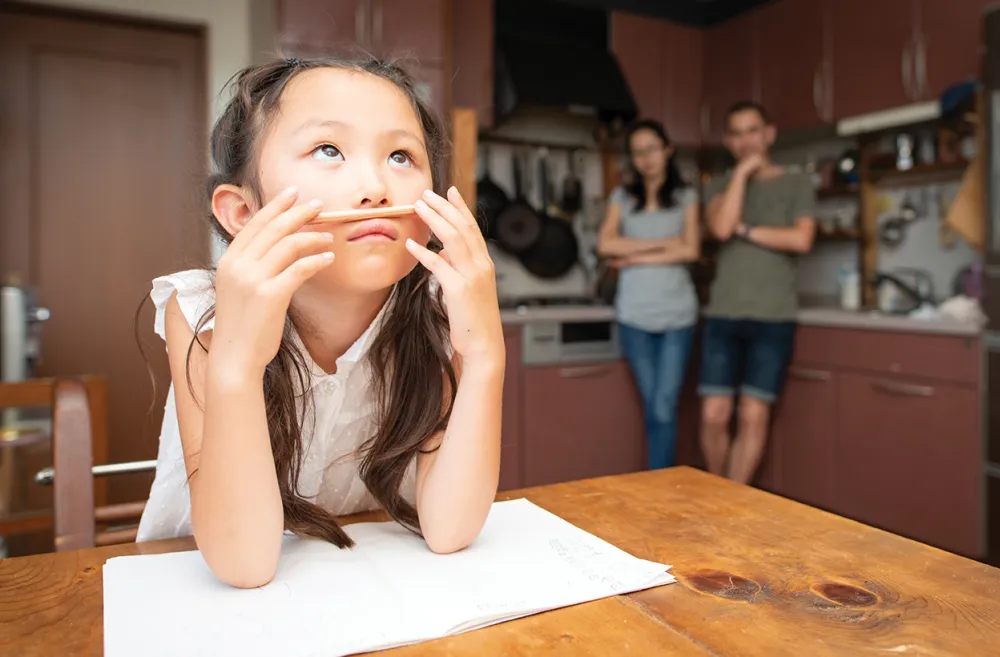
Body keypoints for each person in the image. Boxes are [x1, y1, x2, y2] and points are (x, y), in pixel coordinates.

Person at [134, 56, 505, 589]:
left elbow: (450, 530)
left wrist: (484, 355)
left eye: (401, 155)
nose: (376, 188)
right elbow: (243, 565)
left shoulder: (435, 308)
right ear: (241, 214)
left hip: (364, 584)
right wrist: (238, 364)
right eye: (328, 149)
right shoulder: (200, 310)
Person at [699, 101, 816, 485]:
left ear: (769, 133)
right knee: (714, 414)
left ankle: (734, 499)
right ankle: (718, 496)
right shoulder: (718, 185)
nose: (746, 139)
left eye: (753, 130)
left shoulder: (797, 183)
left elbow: (801, 239)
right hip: (723, 312)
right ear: (727, 140)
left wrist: (747, 232)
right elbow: (720, 228)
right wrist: (741, 176)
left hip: (773, 314)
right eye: (736, 132)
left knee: (752, 413)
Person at [598, 119, 700, 470]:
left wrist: (635, 256)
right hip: (634, 317)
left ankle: (661, 485)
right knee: (653, 407)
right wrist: (665, 243)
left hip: (678, 316)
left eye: (652, 149)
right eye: (638, 152)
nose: (646, 158)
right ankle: (660, 483)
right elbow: (605, 243)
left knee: (663, 406)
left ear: (667, 149)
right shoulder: (622, 198)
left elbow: (691, 250)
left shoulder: (686, 197)